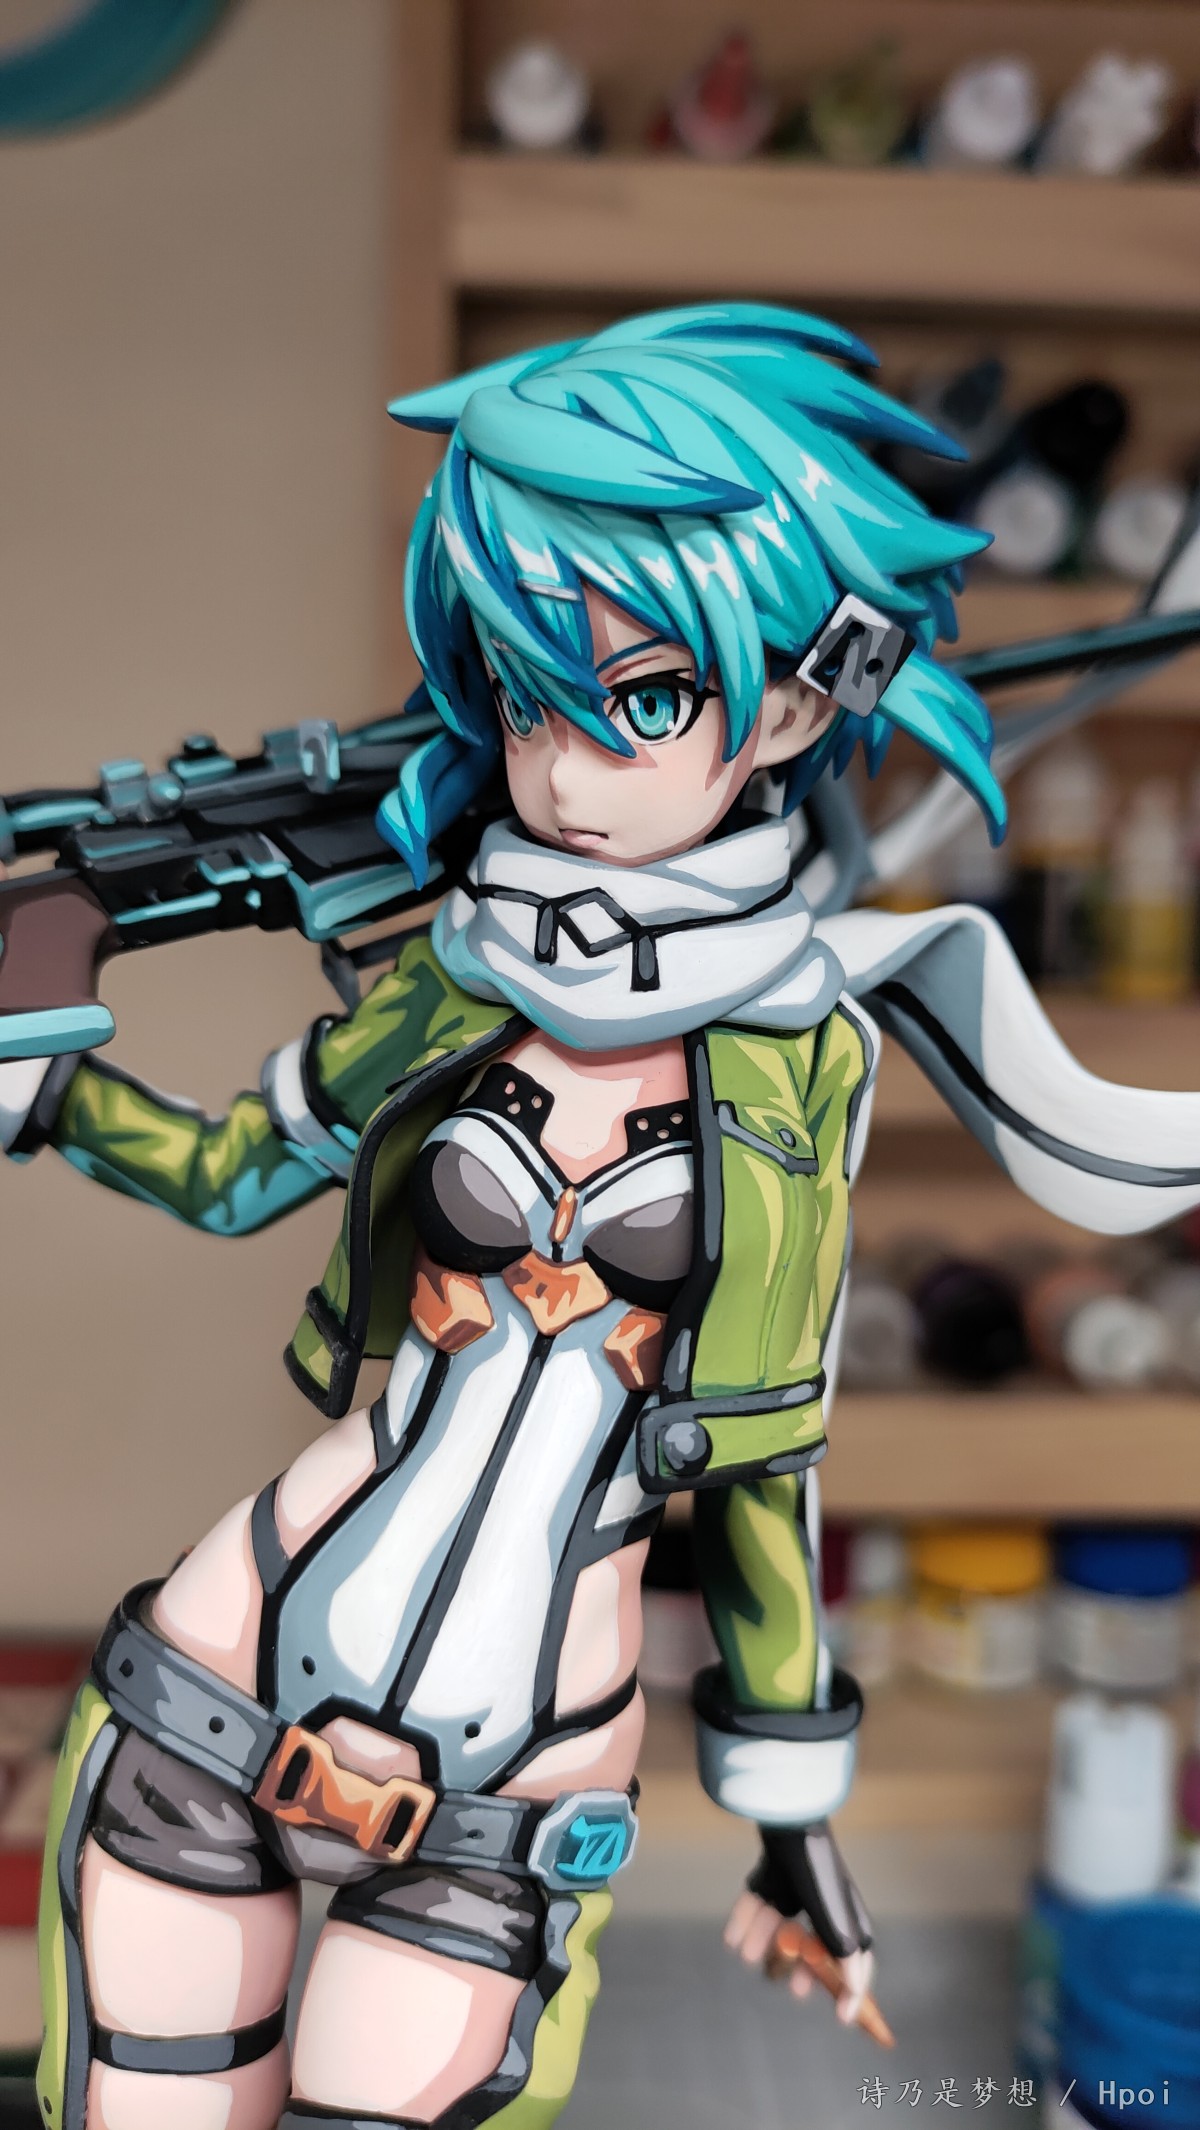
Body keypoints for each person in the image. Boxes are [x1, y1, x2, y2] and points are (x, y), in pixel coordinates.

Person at [10, 306, 1200, 2130]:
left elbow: (764, 1467)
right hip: (211, 1690)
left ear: (796, 700)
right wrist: (43, 1078)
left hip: (505, 1803)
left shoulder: (796, 1059)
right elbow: (231, 1166)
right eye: (525, 697)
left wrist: (793, 1816)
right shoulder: (460, 976)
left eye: (642, 700)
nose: (563, 775)